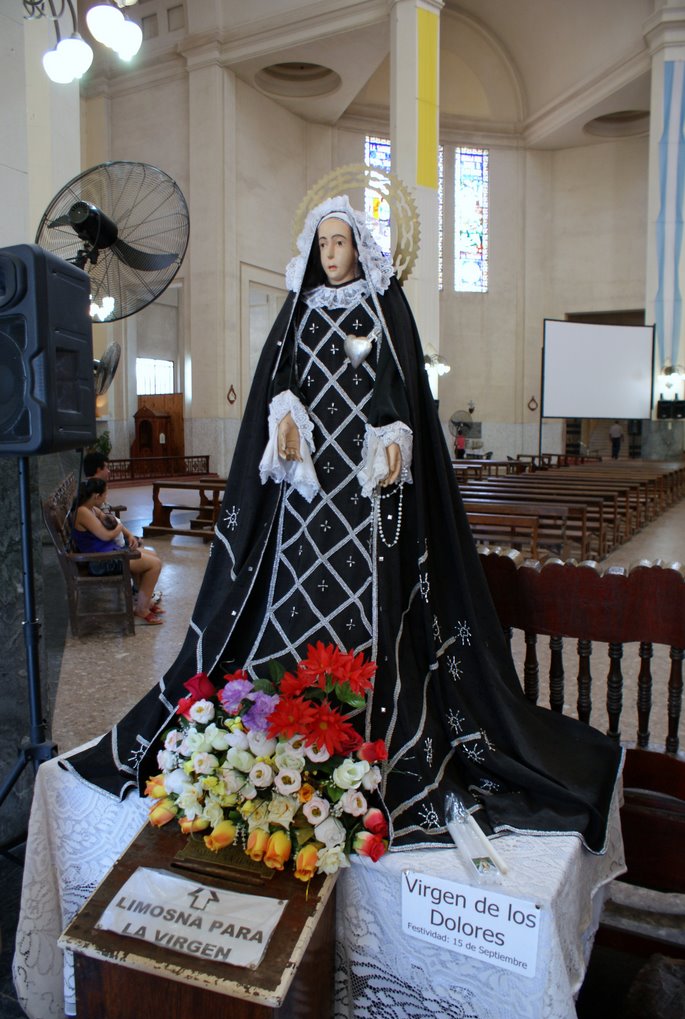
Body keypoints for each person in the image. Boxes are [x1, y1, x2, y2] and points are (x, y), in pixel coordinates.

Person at [66, 195, 621, 854]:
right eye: (322, 244)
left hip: (359, 496)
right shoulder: (297, 312)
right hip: (305, 498)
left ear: (359, 247)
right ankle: (280, 699)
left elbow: (389, 381)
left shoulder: (379, 310)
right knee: (284, 595)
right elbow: (283, 380)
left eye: (340, 243)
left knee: (370, 601)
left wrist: (390, 435)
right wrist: (285, 418)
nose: (330, 255)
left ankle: (360, 707)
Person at [71, 478, 164, 625]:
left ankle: (144, 602)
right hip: (102, 562)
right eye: (105, 495)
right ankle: (142, 608)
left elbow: (110, 519)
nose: (106, 497)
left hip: (109, 553)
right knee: (155, 564)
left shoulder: (91, 509)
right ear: (96, 496)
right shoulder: (82, 512)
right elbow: (106, 535)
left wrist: (129, 535)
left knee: (151, 555)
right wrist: (120, 528)